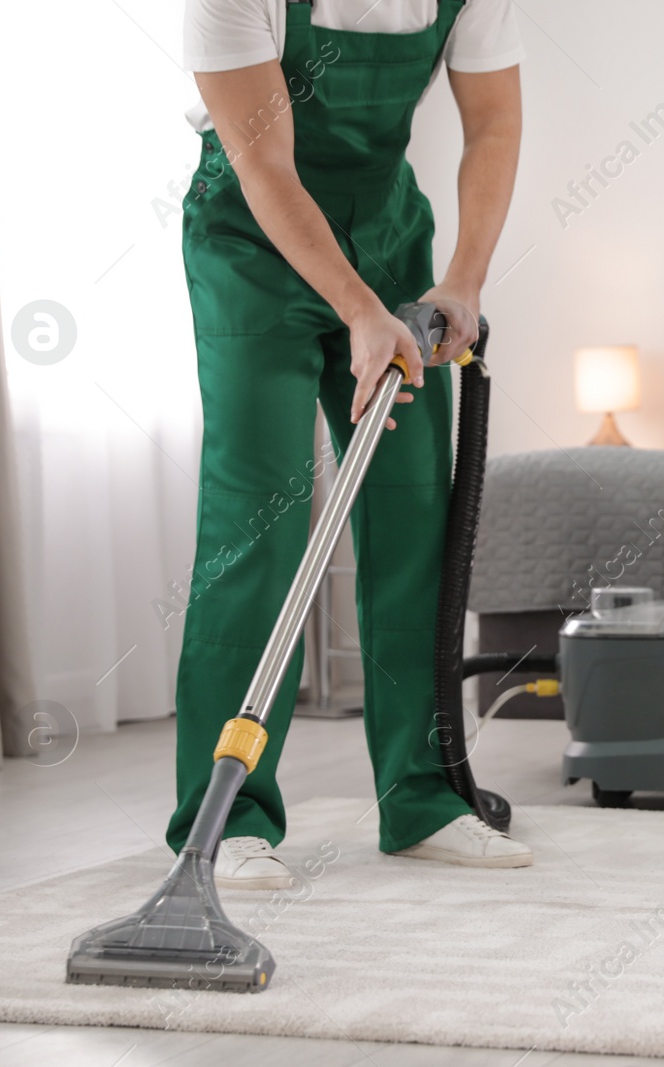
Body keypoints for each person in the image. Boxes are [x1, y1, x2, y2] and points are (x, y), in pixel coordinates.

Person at [166, 0, 528, 887]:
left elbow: (493, 122)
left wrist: (463, 284)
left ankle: (423, 797)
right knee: (259, 525)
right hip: (253, 245)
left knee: (412, 517)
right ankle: (227, 815)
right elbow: (266, 167)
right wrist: (359, 312)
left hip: (388, 234)